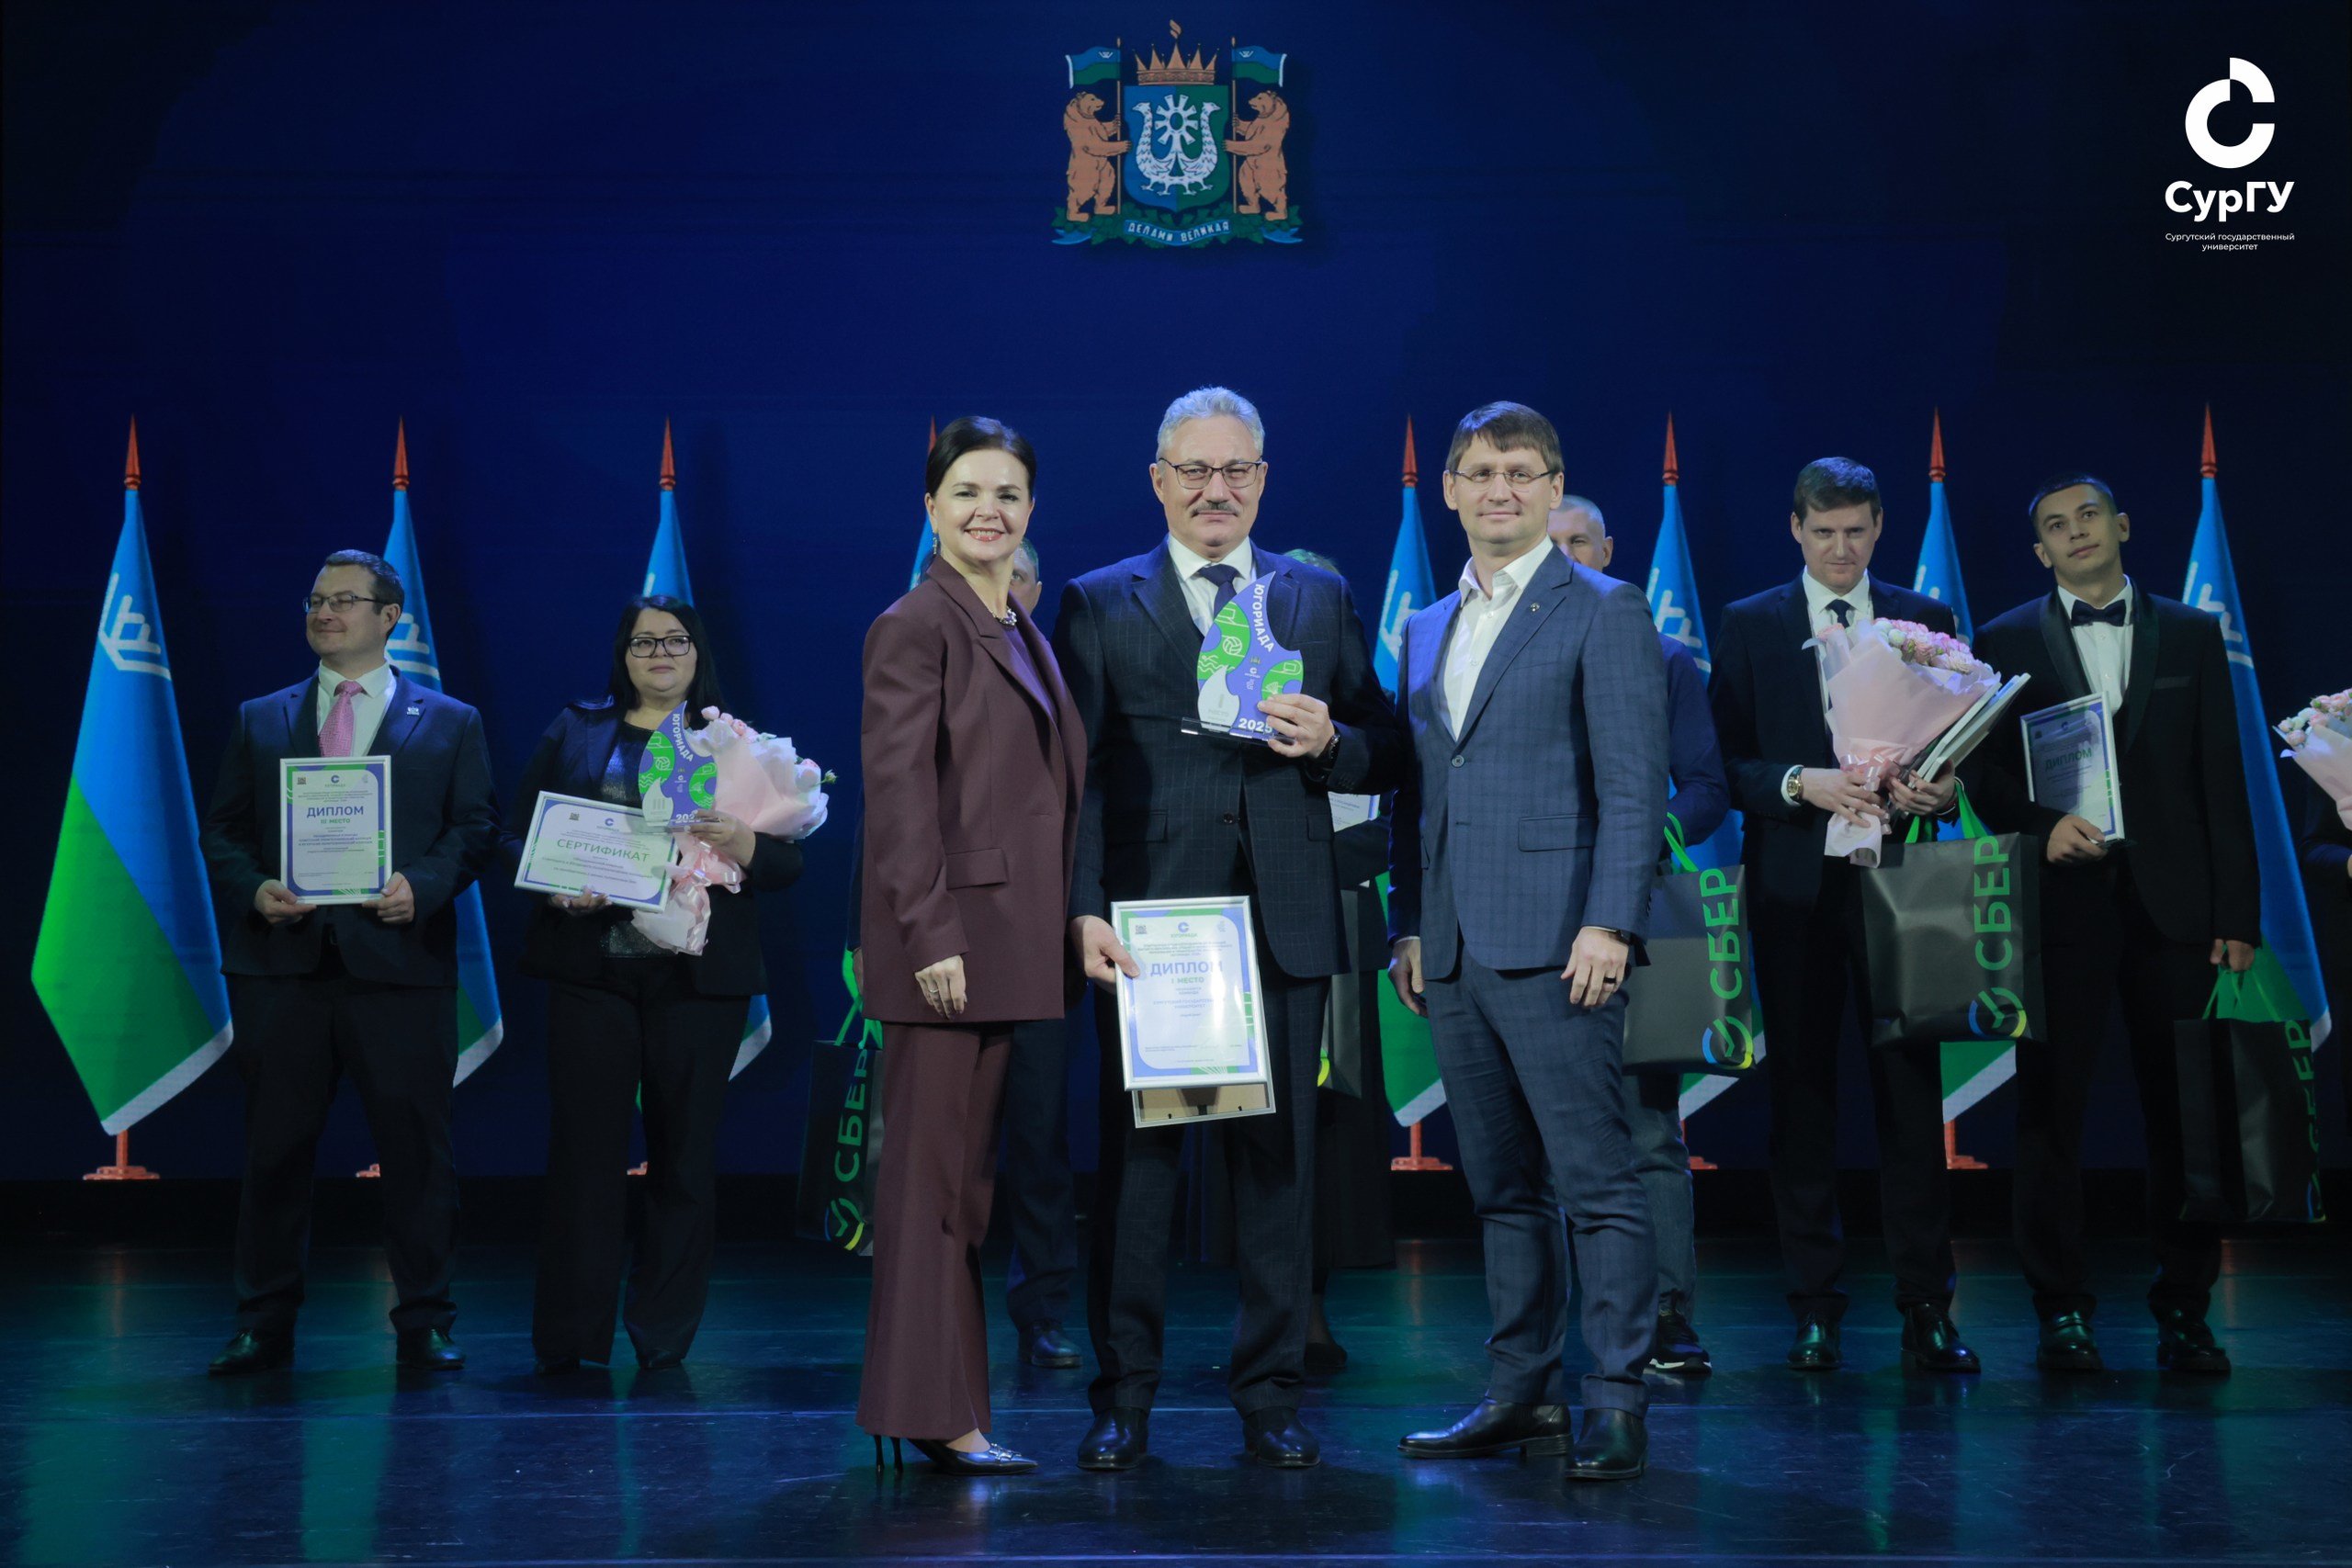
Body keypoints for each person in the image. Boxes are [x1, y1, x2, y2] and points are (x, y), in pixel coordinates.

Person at [1055, 386, 1407, 1471]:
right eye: (1196, 471)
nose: (1217, 489)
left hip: (1285, 921)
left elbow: (1387, 742)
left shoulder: (1316, 595)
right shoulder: (1096, 600)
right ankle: (1125, 1399)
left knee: (1278, 1171)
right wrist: (1081, 907)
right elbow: (1075, 779)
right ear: (1159, 481)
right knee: (1140, 1172)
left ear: (1262, 479)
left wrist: (1332, 744)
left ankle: (1270, 1398)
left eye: (1237, 470)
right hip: (1156, 928)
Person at [1386, 403, 1668, 1483]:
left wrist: (1610, 922)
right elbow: (1421, 793)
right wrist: (1411, 925)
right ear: (1449, 490)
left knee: (1596, 1183)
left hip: (1561, 943)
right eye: (1479, 471)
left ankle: (1616, 1401)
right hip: (1454, 949)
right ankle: (1521, 1395)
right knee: (1501, 1189)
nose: (1498, 488)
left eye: (1519, 471)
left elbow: (1634, 786)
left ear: (1553, 488)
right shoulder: (1424, 625)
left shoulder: (1603, 607)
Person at [1965, 474, 2257, 1374]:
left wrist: (2237, 914)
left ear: (2121, 524)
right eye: (2055, 525)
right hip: (2063, 905)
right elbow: (1981, 773)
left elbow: (2223, 775)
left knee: (2187, 1114)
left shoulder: (2195, 632)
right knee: (2051, 1110)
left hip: (2178, 911)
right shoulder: (2004, 638)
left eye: (2088, 515)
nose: (2076, 532)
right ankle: (2059, 1307)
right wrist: (2039, 825)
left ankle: (2186, 1307)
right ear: (2039, 551)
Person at [1707, 457, 1978, 1375]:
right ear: (1795, 528)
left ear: (1878, 526)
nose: (1839, 549)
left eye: (1855, 531)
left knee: (1910, 1097)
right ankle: (1815, 1305)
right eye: (1823, 532)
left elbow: (1959, 750)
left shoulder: (1924, 618)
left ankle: (1926, 1304)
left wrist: (1941, 792)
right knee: (1802, 1099)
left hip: (1900, 889)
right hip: (1793, 892)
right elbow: (1724, 764)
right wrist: (1800, 783)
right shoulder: (1751, 622)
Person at [198, 549, 498, 1374]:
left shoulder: (451, 720)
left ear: (389, 616)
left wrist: (422, 887)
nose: (324, 613)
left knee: (417, 1154)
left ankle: (425, 1319)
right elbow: (222, 830)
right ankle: (262, 1321)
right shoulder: (261, 716)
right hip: (281, 968)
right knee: (274, 1153)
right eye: (315, 600)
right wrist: (256, 887)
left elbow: (475, 827)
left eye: (343, 600)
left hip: (400, 966)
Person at [857, 416, 1083, 1474]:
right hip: (949, 952)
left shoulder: (1016, 621)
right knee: (931, 1191)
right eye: (966, 492)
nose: (988, 510)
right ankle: (930, 1412)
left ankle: (945, 1410)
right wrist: (930, 933)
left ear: (1030, 509)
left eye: (1007, 494)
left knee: (966, 1192)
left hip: (1012, 946)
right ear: (930, 508)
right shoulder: (915, 624)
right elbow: (900, 799)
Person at [512, 595, 806, 1374]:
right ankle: (572, 1335)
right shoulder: (576, 729)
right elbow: (514, 835)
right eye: (644, 642)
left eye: (675, 641)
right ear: (623, 654)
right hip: (592, 972)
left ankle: (664, 1331)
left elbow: (788, 864)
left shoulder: (736, 745)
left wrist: (743, 840)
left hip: (697, 981)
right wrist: (553, 885)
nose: (660, 654)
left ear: (697, 652)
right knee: (584, 1157)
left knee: (684, 1158)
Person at [1189, 547, 1397, 1378]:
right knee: (1238, 1113)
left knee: (1330, 1128)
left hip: (1337, 919)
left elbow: (1396, 785)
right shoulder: (1225, 687)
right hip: (1236, 920)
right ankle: (1256, 1305)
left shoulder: (1352, 702)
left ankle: (1310, 1305)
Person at [1550, 495, 1730, 1375]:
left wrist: (1634, 834)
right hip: (1528, 919)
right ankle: (1554, 1326)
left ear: (1609, 550)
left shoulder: (1663, 656)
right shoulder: (1490, 647)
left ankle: (1665, 1314)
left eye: (1579, 541)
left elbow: (1706, 787)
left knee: (1648, 1130)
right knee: (1539, 1137)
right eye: (1551, 544)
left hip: (1634, 919)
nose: (1565, 556)